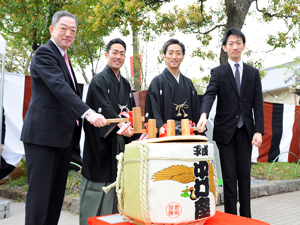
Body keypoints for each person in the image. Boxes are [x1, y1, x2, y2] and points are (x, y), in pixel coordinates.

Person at [20, 11, 108, 225]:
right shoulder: (44, 54)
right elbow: (60, 88)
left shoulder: (65, 58)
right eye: (63, 28)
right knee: (40, 198)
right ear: (52, 29)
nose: (68, 33)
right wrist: (88, 112)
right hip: (43, 137)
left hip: (62, 139)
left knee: (55, 197)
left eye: (73, 30)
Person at [197, 27, 264, 218]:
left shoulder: (253, 73)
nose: (235, 47)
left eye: (238, 43)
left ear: (244, 46)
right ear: (225, 47)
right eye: (231, 43)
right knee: (228, 178)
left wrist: (259, 130)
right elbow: (210, 95)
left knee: (244, 177)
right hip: (225, 133)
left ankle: (246, 218)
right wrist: (203, 115)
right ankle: (232, 219)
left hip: (246, 131)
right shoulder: (218, 72)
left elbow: (257, 104)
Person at [80, 38, 137, 224]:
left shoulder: (126, 84)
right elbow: (104, 108)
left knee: (120, 186)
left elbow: (130, 112)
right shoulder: (98, 81)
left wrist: (133, 130)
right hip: (103, 143)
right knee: (100, 187)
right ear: (106, 55)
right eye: (114, 52)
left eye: (122, 53)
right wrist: (122, 125)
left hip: (121, 142)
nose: (118, 57)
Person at [145, 38, 201, 135]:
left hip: (187, 131)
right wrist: (160, 125)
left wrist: (197, 126)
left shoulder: (188, 83)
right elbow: (153, 107)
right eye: (170, 53)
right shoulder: (157, 82)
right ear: (164, 56)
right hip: (165, 130)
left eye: (178, 53)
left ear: (183, 57)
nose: (174, 57)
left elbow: (196, 108)